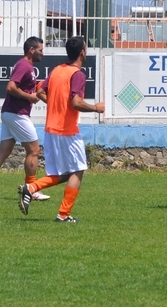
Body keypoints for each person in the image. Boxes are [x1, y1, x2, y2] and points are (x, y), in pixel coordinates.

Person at [18, 36, 104, 223]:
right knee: (78, 170)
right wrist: (96, 108)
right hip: (67, 130)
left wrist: (56, 105)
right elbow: (76, 102)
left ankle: (31, 188)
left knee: (62, 174)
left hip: (51, 129)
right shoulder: (77, 74)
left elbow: (40, 91)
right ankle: (63, 214)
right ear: (82, 52)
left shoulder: (57, 70)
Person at [0, 36, 49, 202]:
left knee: (4, 150)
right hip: (17, 113)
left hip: (10, 112)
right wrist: (29, 97)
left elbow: (22, 87)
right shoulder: (24, 65)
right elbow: (10, 87)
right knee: (34, 150)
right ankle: (31, 189)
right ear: (31, 50)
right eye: (40, 50)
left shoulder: (25, 66)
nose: (42, 53)